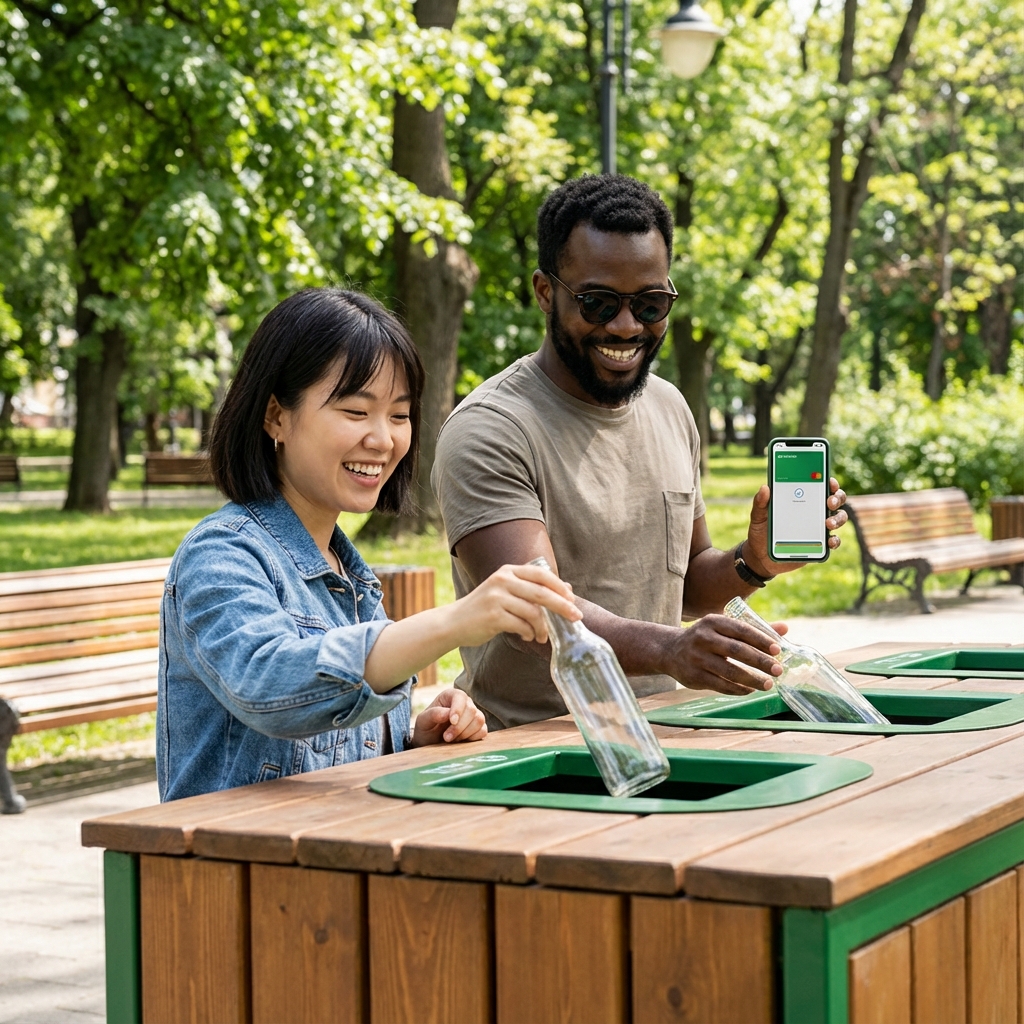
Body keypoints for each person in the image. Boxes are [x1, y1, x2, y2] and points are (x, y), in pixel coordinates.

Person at [432, 174, 850, 730]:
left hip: (664, 727)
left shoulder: (669, 407)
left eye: (650, 304)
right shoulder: (491, 430)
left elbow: (690, 585)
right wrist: (669, 650)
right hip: (533, 747)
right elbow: (536, 616)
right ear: (544, 292)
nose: (627, 326)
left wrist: (754, 562)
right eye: (598, 302)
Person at [158, 288, 579, 800]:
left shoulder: (352, 578)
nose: (382, 439)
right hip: (221, 871)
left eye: (399, 416)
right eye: (356, 412)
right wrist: (457, 620)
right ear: (276, 416)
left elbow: (328, 749)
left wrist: (409, 741)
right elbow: (270, 687)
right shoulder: (221, 554)